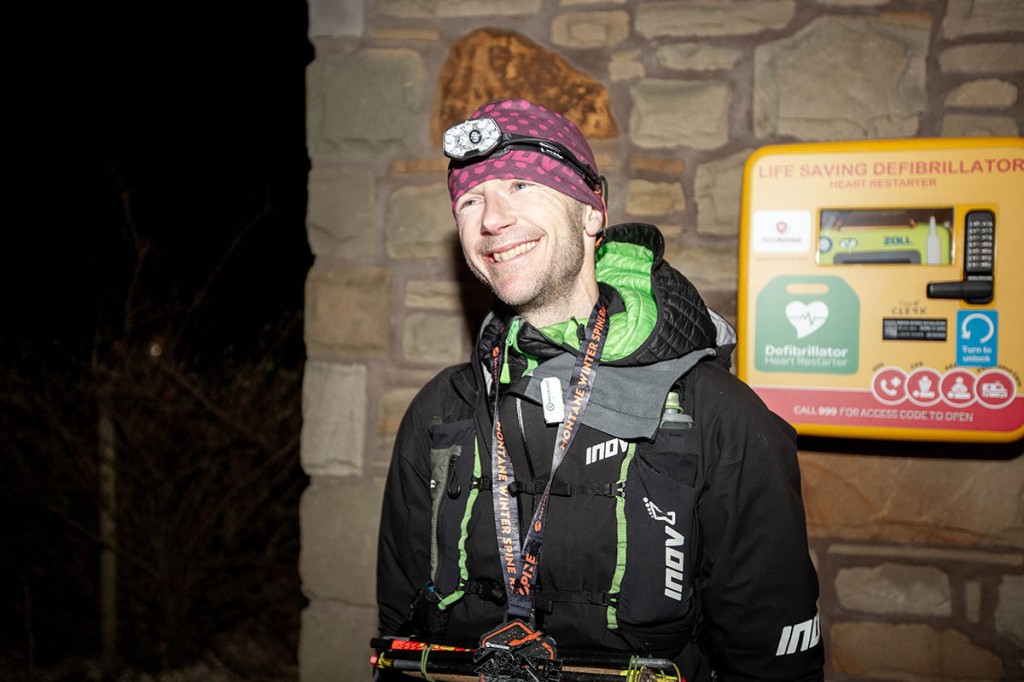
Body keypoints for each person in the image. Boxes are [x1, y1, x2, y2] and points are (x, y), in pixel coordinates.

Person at [375, 98, 824, 681]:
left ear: (592, 213)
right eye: (470, 200)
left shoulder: (722, 420)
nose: (491, 219)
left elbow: (773, 664)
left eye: (520, 184)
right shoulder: (441, 411)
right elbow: (400, 643)